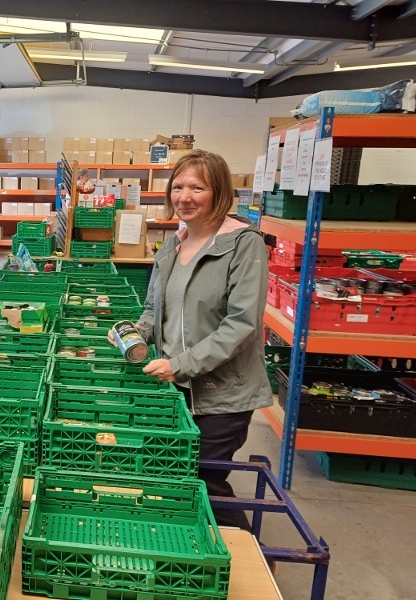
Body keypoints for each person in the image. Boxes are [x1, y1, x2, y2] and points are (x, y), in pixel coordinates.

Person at [112, 149, 271, 529]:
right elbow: (153, 310)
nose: (184, 197)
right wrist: (133, 334)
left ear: (220, 193)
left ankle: (251, 564)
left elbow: (242, 324)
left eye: (197, 187)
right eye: (178, 186)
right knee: (176, 475)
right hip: (177, 387)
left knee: (205, 482)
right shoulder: (172, 246)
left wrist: (180, 364)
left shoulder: (244, 244)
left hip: (221, 394)